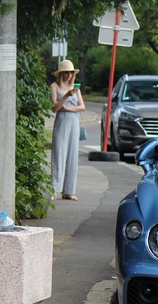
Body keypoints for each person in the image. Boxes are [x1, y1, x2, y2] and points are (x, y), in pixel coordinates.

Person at [50, 59, 85, 201]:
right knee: (59, 155)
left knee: (72, 156)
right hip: (61, 121)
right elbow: (55, 108)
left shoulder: (76, 89)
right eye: (66, 72)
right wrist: (66, 96)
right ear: (61, 74)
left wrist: (69, 108)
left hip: (73, 122)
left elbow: (82, 106)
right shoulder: (55, 86)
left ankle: (69, 190)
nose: (69, 75)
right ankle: (54, 189)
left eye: (71, 72)